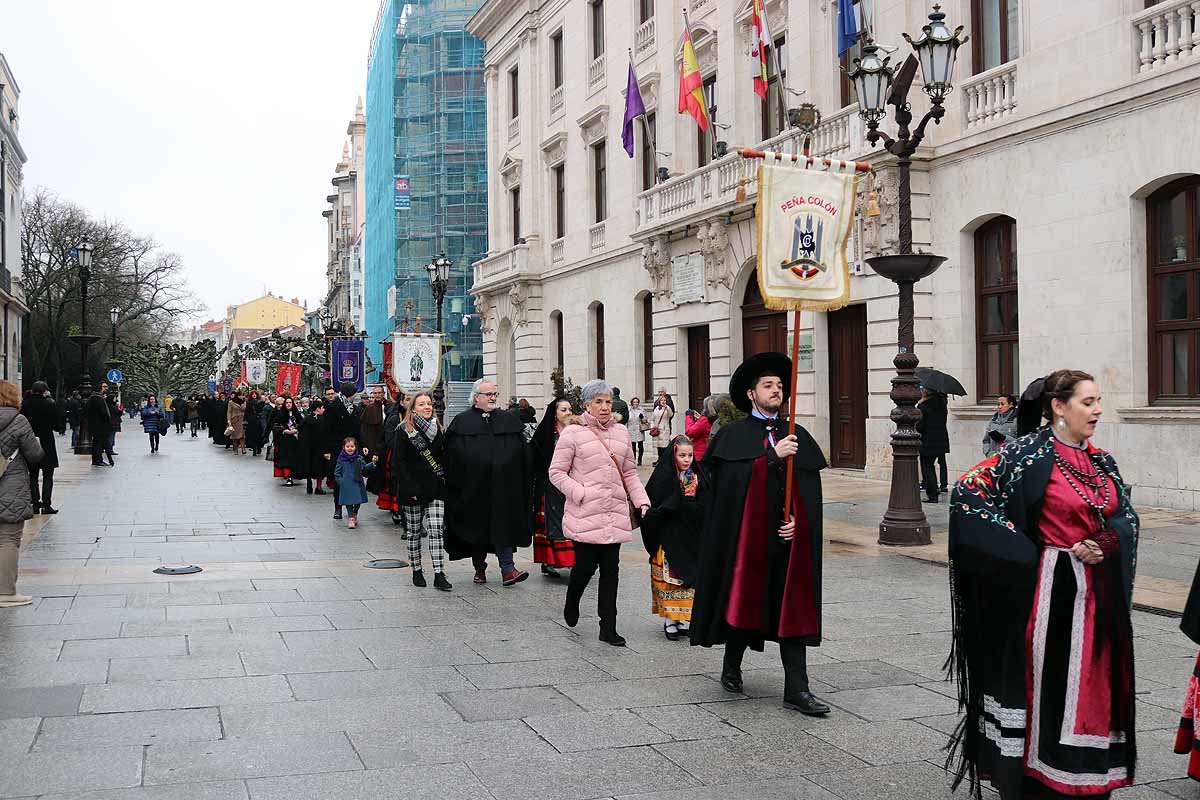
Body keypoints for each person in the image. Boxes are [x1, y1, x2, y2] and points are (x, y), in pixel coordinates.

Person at [947, 369, 1137, 800]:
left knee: (1092, 685)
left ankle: (1087, 776)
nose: (1097, 410)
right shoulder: (1024, 456)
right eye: (1088, 402)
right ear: (1058, 406)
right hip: (1045, 598)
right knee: (1044, 686)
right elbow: (968, 494)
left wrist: (1108, 540)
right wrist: (1028, 555)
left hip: (1096, 600)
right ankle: (1037, 776)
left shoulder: (1103, 461)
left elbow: (1125, 515)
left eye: (1098, 401)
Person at [690, 352, 830, 717]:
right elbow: (729, 489)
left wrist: (801, 521)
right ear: (751, 394)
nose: (776, 391)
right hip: (746, 540)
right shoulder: (733, 436)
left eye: (780, 386)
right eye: (768, 385)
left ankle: (797, 689)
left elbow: (809, 491)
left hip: (786, 542)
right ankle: (731, 664)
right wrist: (770, 456)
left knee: (791, 608)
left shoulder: (797, 435)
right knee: (744, 600)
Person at [550, 379, 650, 647]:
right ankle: (572, 601)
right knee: (584, 568)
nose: (605, 407)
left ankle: (608, 627)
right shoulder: (573, 433)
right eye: (598, 402)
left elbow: (629, 472)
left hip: (614, 512)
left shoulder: (621, 433)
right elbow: (556, 473)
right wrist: (580, 492)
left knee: (611, 570)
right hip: (586, 513)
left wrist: (642, 501)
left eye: (607, 402)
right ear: (587, 405)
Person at [443, 379, 531, 587]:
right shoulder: (461, 422)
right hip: (473, 488)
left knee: (503, 527)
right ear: (476, 398)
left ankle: (508, 570)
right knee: (477, 528)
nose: (493, 398)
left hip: (503, 488)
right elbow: (452, 456)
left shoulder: (508, 420)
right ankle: (479, 569)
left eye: (494, 394)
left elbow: (523, 451)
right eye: (489, 394)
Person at [641, 435, 705, 641]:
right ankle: (670, 619)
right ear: (673, 455)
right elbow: (655, 504)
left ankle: (679, 618)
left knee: (686, 579)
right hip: (668, 536)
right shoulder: (664, 477)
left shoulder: (698, 476)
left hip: (690, 534)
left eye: (690, 455)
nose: (687, 459)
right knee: (669, 579)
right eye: (682, 455)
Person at [392, 391, 452, 590]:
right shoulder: (404, 430)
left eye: (429, 403)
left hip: (435, 488)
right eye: (422, 404)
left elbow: (446, 459)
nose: (427, 407)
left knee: (436, 531)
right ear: (413, 408)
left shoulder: (439, 430)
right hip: (413, 490)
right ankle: (416, 569)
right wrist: (410, 489)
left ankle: (439, 573)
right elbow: (399, 464)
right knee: (414, 533)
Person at [0, 381, 44, 608]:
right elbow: (35, 455)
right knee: (8, 539)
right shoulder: (18, 420)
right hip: (10, 486)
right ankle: (6, 592)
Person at [530, 398, 576, 578]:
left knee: (573, 522)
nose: (568, 413)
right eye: (564, 410)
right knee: (551, 522)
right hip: (550, 486)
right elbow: (535, 458)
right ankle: (550, 561)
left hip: (572, 484)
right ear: (555, 413)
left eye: (570, 409)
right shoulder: (545, 433)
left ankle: (572, 561)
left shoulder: (577, 432)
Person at [20, 381, 63, 515]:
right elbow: (57, 425)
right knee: (47, 475)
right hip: (46, 443)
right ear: (45, 390)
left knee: (32, 474)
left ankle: (34, 503)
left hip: (30, 442)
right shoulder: (49, 404)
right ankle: (46, 504)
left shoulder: (25, 404)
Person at [334, 436, 377, 529]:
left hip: (358, 483)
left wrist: (373, 464)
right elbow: (336, 472)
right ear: (344, 447)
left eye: (352, 446)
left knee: (358, 501)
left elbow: (364, 467)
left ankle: (354, 513)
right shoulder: (341, 459)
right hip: (346, 484)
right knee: (349, 502)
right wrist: (341, 481)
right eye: (348, 446)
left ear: (355, 447)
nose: (350, 448)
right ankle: (350, 518)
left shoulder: (359, 458)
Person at [917, 388, 950, 504]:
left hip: (927, 442)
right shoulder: (942, 404)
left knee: (927, 467)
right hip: (941, 440)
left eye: (923, 389)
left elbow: (920, 426)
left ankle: (932, 494)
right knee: (935, 465)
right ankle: (937, 489)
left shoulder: (923, 406)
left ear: (927, 392)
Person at [271, 396, 304, 486]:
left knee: (294, 458)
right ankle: (288, 477)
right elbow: (275, 425)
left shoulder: (296, 414)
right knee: (286, 459)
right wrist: (283, 430)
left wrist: (296, 429)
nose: (288, 404)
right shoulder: (281, 414)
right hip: (284, 440)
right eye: (287, 403)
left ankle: (294, 475)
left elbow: (302, 424)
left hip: (295, 439)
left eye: (290, 402)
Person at [86, 385, 113, 467]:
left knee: (95, 443)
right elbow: (104, 414)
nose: (106, 389)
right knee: (99, 444)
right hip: (101, 426)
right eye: (104, 387)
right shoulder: (99, 399)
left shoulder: (90, 399)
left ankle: (95, 460)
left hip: (92, 425)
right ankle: (99, 460)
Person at [684, 396, 717, 462]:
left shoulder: (705, 420)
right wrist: (699, 419)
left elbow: (689, 432)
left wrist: (689, 417)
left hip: (700, 453)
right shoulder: (716, 419)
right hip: (711, 452)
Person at [650, 395, 674, 463]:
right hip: (657, 430)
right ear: (659, 401)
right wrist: (652, 427)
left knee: (664, 445)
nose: (663, 402)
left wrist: (668, 408)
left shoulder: (667, 408)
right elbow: (652, 419)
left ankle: (664, 460)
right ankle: (659, 459)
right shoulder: (656, 409)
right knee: (658, 445)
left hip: (664, 429)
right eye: (662, 400)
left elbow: (671, 415)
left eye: (664, 400)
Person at [625, 397, 648, 466]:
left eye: (637, 402)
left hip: (639, 429)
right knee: (633, 446)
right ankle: (633, 459)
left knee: (640, 446)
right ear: (632, 403)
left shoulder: (641, 410)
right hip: (631, 429)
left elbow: (645, 420)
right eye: (634, 402)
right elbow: (626, 421)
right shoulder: (629, 410)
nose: (636, 403)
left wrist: (642, 418)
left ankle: (640, 459)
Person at [245, 389, 266, 455]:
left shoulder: (261, 402)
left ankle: (259, 447)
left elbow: (263, 411)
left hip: (259, 421)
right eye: (253, 394)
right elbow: (247, 412)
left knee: (259, 435)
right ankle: (254, 448)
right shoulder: (249, 403)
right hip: (252, 421)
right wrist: (247, 420)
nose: (254, 395)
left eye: (255, 394)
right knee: (252, 435)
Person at [226, 390, 247, 454]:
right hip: (235, 420)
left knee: (243, 435)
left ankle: (243, 449)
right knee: (235, 436)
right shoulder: (231, 402)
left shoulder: (244, 402)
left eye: (243, 395)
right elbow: (229, 412)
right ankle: (235, 449)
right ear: (238, 396)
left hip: (243, 420)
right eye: (241, 395)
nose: (242, 397)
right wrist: (229, 421)